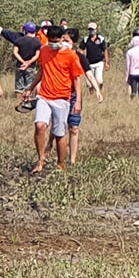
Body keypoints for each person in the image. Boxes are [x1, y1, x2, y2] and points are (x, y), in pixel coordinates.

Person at [25, 26, 87, 173]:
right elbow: (42, 70)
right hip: (44, 96)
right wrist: (30, 88)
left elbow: (77, 79)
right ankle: (41, 160)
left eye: (56, 40)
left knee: (59, 134)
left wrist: (78, 101)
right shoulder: (45, 51)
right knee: (40, 126)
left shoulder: (71, 56)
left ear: (61, 39)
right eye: (50, 40)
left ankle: (61, 164)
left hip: (62, 99)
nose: (53, 43)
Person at [0, 20, 43, 110]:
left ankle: (19, 103)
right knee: (29, 87)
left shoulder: (19, 40)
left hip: (20, 66)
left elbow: (15, 52)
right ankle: (27, 104)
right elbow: (37, 55)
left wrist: (22, 62)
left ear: (25, 30)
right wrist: (28, 62)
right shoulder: (37, 42)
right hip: (31, 67)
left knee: (19, 87)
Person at [80, 22, 109, 98]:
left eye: (92, 29)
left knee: (99, 80)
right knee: (89, 83)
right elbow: (81, 49)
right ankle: (91, 95)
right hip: (89, 63)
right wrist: (81, 60)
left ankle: (100, 90)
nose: (91, 31)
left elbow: (105, 50)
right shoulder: (86, 39)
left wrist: (106, 62)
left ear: (96, 29)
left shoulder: (101, 39)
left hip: (99, 62)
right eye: (90, 29)